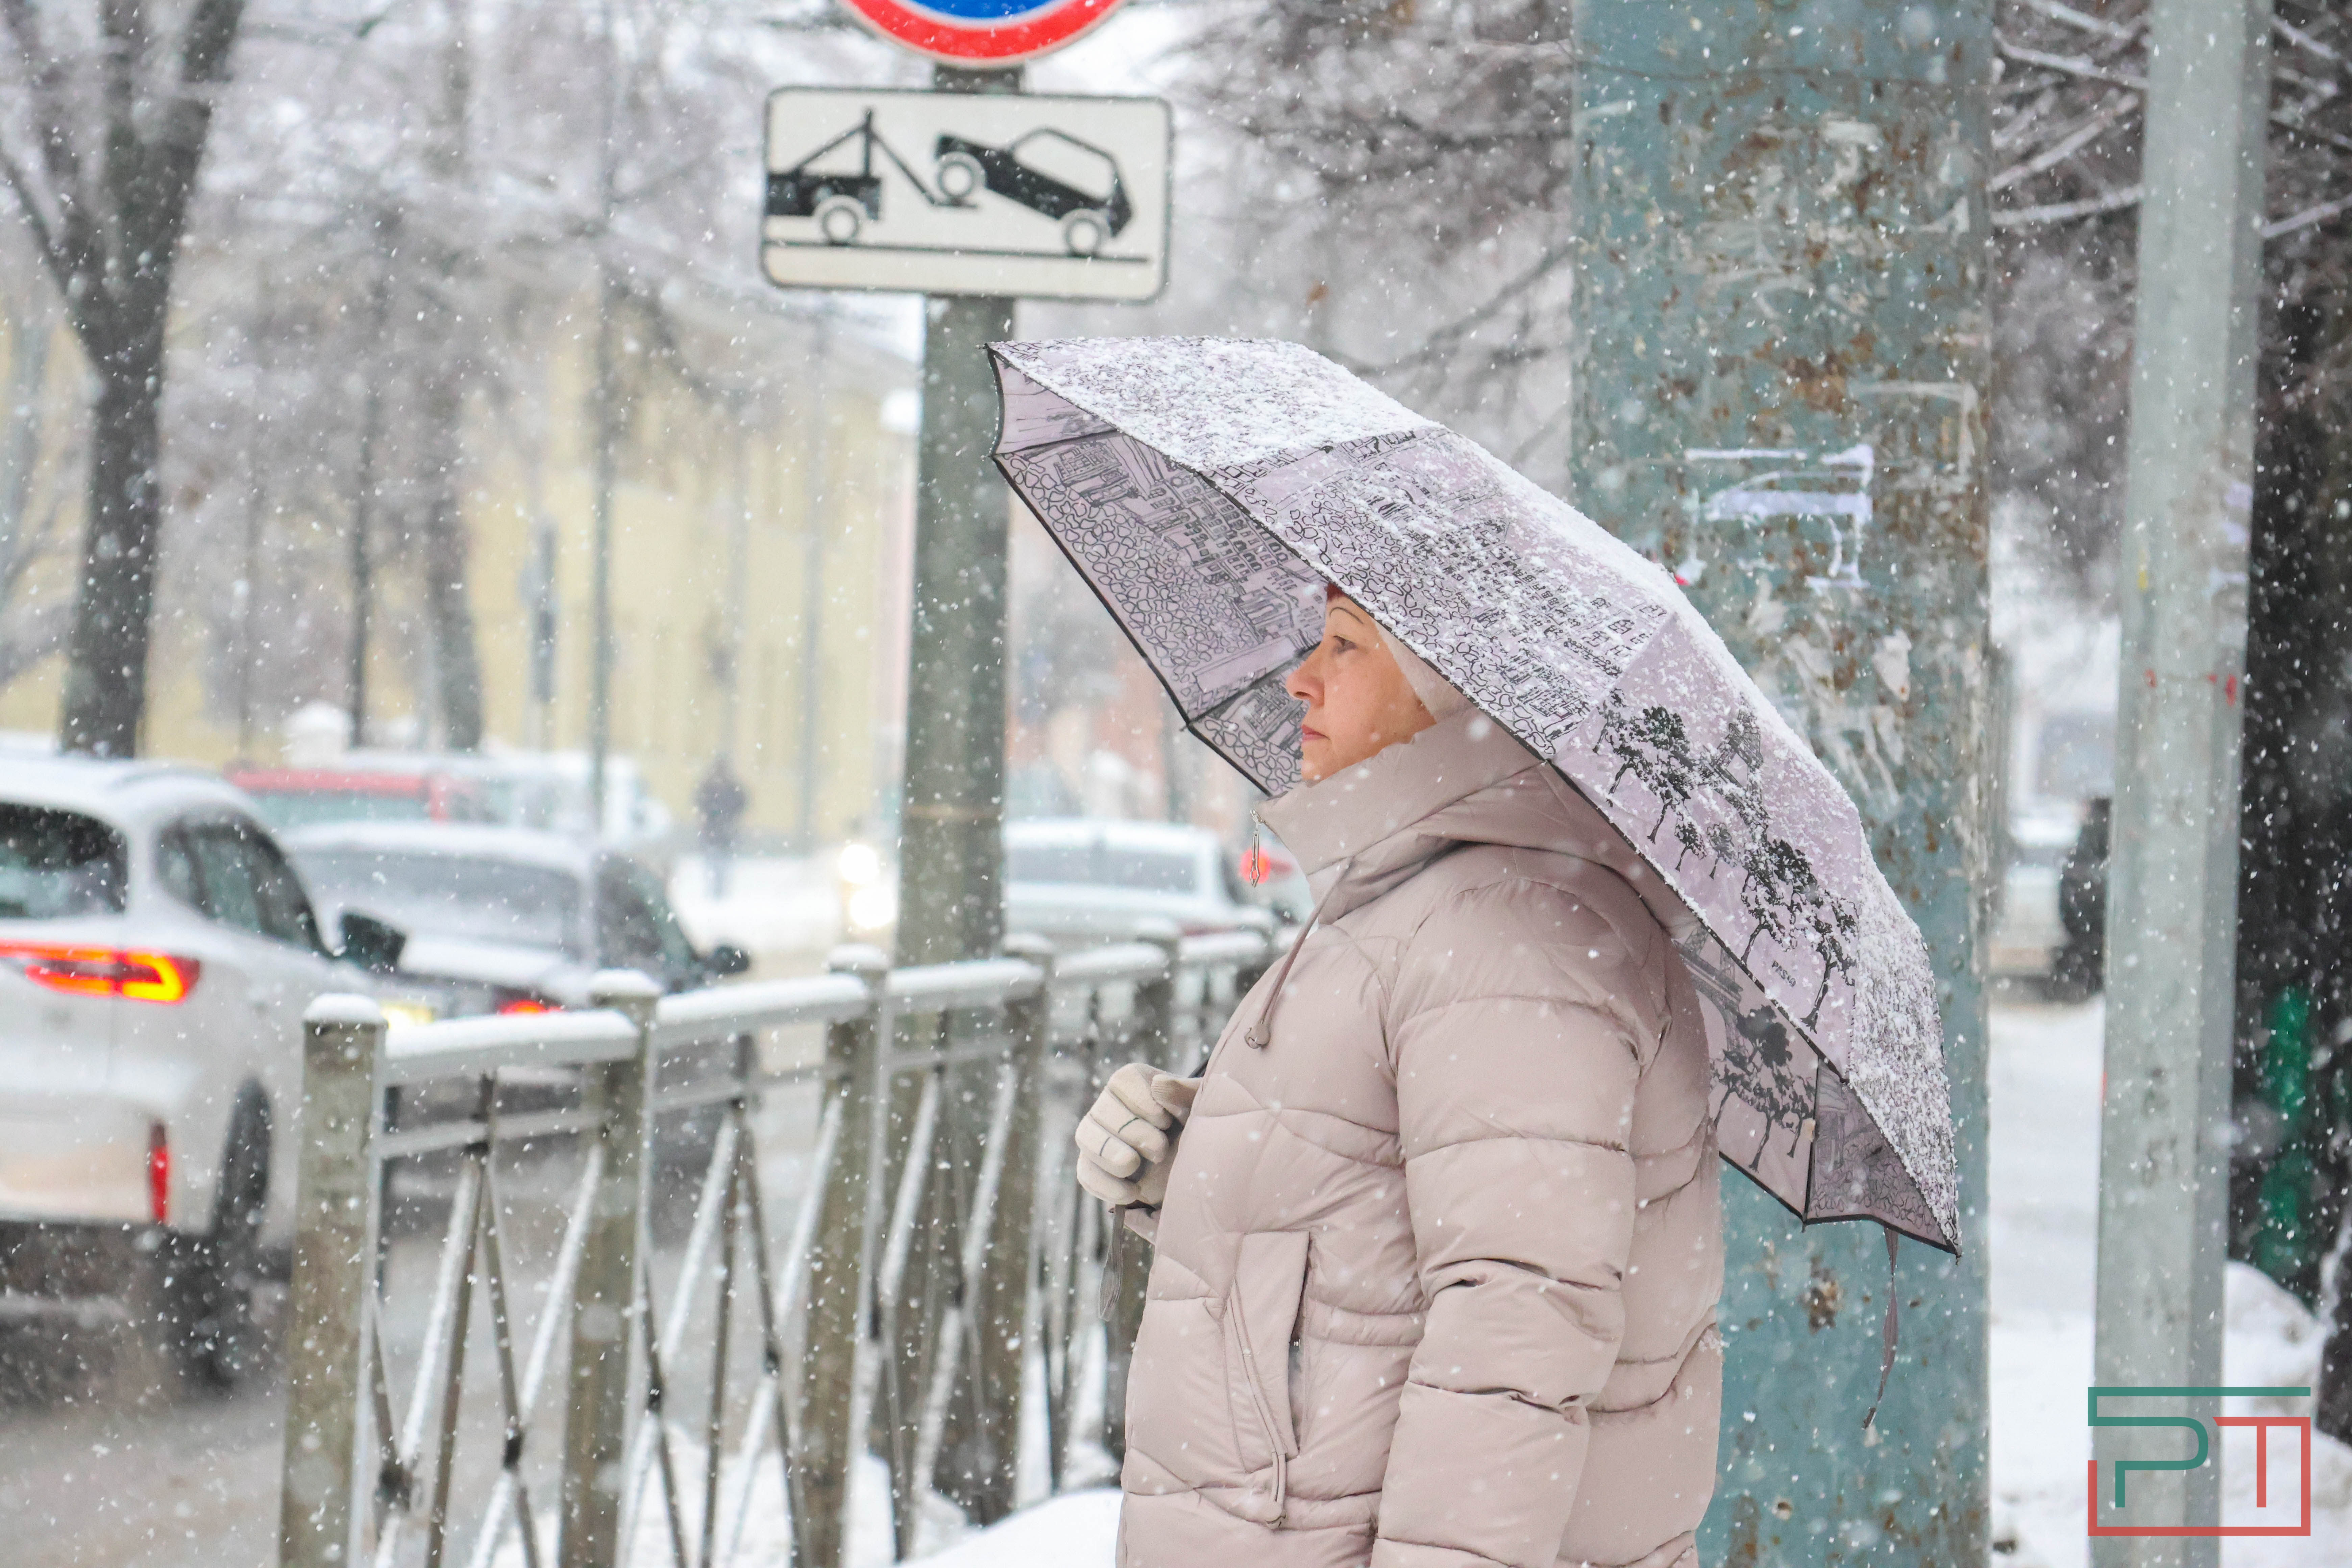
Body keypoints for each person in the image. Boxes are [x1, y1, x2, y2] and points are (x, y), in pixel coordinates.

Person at [1076, 588, 1723, 1568]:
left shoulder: (1515, 931)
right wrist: (1195, 1166)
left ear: (1456, 691)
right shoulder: (1433, 896)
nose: (1302, 677)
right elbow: (1381, 1236)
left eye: (1348, 648)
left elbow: (1517, 1322)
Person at [695, 755, 749, 897]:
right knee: (719, 860)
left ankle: (718, 888)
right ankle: (718, 888)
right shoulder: (728, 787)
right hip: (721, 829)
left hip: (718, 829)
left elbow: (700, 801)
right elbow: (742, 802)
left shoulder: (711, 786)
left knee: (717, 860)